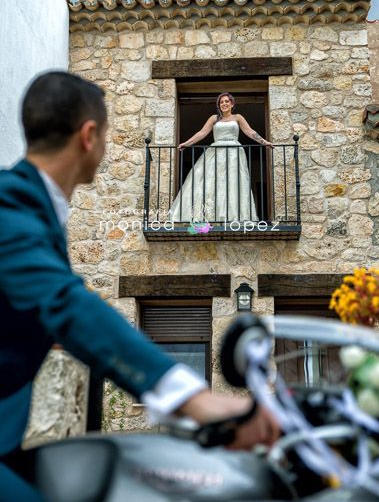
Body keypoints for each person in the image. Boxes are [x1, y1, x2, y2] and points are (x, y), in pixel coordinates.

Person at [0, 72, 279, 500]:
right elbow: (67, 305)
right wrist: (195, 399)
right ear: (89, 136)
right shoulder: (11, 211)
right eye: (108, 134)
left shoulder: (28, 207)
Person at [169, 93, 273, 223]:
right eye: (221, 102)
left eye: (226, 101)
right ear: (219, 106)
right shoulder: (214, 118)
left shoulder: (238, 117)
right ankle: (210, 216)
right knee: (211, 182)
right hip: (216, 153)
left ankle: (232, 216)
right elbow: (201, 133)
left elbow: (250, 132)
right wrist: (186, 143)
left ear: (232, 104)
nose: (224, 104)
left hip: (234, 154)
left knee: (233, 183)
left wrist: (265, 142)